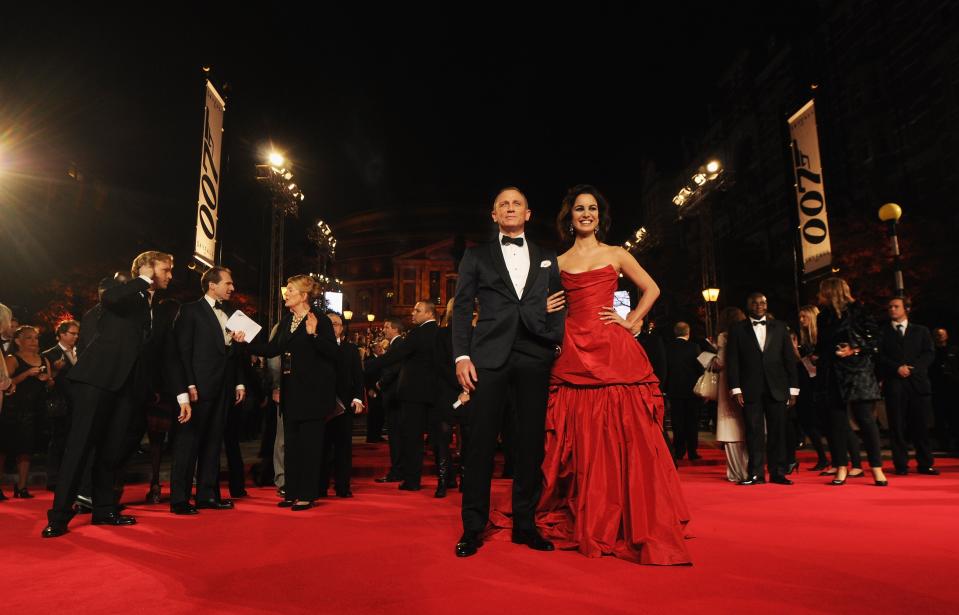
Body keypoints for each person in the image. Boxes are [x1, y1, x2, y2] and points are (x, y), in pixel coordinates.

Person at [523, 183, 690, 565]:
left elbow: (652, 288)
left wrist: (631, 321)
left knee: (624, 433)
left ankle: (629, 513)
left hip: (612, 349)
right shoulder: (557, 262)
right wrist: (548, 308)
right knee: (578, 436)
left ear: (600, 216)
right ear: (570, 216)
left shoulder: (617, 254)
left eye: (592, 209)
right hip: (571, 350)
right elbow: (540, 307)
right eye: (579, 209)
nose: (586, 214)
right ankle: (590, 508)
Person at [452, 186, 566, 558]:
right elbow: (463, 306)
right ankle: (472, 527)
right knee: (481, 444)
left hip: (534, 355)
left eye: (517, 203)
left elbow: (559, 304)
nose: (511, 208)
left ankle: (525, 524)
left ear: (528, 214)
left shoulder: (548, 256)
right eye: (504, 204)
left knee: (530, 444)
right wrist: (461, 357)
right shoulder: (475, 255)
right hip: (487, 356)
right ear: (494, 214)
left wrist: (553, 341)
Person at [43, 251, 178, 537]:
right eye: (165, 269)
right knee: (79, 448)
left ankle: (104, 510)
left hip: (128, 388)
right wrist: (143, 278)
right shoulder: (124, 292)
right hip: (97, 381)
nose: (170, 275)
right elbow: (111, 299)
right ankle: (58, 516)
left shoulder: (153, 304)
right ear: (147, 268)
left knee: (112, 450)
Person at [244, 275, 339, 511]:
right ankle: (292, 491)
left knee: (310, 446)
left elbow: (332, 354)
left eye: (291, 290)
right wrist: (243, 344)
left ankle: (307, 494)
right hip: (291, 393)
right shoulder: (287, 321)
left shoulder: (320, 320)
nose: (286, 293)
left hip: (313, 395)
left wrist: (313, 335)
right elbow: (272, 348)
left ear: (304, 295)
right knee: (292, 446)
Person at [169, 267, 247, 515]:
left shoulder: (233, 314)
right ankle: (179, 499)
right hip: (198, 389)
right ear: (212, 285)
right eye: (228, 283)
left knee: (214, 443)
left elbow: (231, 355)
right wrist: (189, 384)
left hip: (223, 387)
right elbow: (182, 351)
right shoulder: (190, 310)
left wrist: (238, 382)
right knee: (188, 443)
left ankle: (207, 495)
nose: (232, 287)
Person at [815, 277, 888, 487]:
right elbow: (822, 344)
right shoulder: (823, 317)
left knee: (866, 420)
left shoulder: (859, 311)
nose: (818, 297)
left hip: (858, 371)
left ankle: (876, 468)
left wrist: (854, 349)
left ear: (830, 292)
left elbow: (876, 339)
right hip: (832, 372)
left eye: (821, 292)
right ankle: (841, 467)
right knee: (836, 423)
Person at [725, 292, 799, 486]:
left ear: (767, 305)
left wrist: (793, 390)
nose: (759, 306)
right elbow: (732, 361)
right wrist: (735, 389)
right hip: (750, 389)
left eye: (762, 303)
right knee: (753, 432)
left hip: (778, 387)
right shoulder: (737, 329)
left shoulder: (780, 327)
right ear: (748, 305)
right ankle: (755, 473)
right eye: (755, 303)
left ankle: (778, 473)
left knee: (778, 432)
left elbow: (789, 360)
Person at [367, 301, 440, 491]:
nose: (412, 313)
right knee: (439, 437)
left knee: (412, 438)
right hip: (436, 392)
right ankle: (446, 480)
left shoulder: (418, 333)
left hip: (414, 393)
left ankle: (412, 480)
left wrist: (369, 366)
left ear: (430, 313)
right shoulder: (440, 333)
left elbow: (396, 355)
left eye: (417, 310)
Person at [878, 297, 937, 476]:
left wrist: (913, 368)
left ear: (906, 309)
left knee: (921, 425)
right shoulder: (882, 332)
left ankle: (925, 463)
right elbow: (878, 357)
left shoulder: (921, 331)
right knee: (897, 426)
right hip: (894, 385)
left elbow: (929, 353)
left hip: (918, 384)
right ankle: (901, 464)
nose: (892, 309)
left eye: (896, 306)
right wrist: (897, 368)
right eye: (890, 306)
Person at [1, 326, 55, 498]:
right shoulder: (12, 359)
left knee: (26, 450)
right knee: (3, 449)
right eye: (29, 338)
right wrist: (26, 374)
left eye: (36, 338)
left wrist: (47, 380)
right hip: (12, 409)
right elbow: (5, 383)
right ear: (18, 341)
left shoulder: (43, 359)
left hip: (33, 410)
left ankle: (22, 487)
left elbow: (50, 384)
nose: (34, 341)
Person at [319, 311, 364, 498]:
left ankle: (342, 487)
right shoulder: (316, 347)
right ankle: (319, 487)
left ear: (342, 328)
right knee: (321, 448)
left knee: (343, 449)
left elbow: (358, 377)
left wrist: (357, 398)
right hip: (320, 407)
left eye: (337, 324)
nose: (333, 326)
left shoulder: (351, 349)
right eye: (329, 323)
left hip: (344, 407)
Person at [143, 298, 183, 504]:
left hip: (164, 394)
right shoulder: (164, 335)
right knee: (161, 442)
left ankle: (157, 484)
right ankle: (159, 484)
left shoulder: (161, 335)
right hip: (163, 395)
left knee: (158, 442)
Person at [41, 319, 80, 491]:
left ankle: (73, 477)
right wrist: (55, 371)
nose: (76, 337)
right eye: (72, 333)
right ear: (61, 334)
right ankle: (54, 479)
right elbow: (46, 383)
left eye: (77, 334)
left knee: (76, 442)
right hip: (61, 404)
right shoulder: (49, 354)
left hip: (79, 404)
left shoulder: (81, 351)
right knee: (58, 441)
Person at [365, 318, 406, 483]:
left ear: (395, 329)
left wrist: (380, 383)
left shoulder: (398, 345)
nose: (384, 330)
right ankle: (398, 470)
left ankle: (397, 471)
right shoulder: (395, 345)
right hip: (394, 395)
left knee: (396, 436)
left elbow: (394, 368)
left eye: (387, 327)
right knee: (395, 435)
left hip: (395, 395)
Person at [714, 307, 749, 482]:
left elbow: (720, 361)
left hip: (727, 382)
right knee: (745, 425)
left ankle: (735, 471)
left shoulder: (724, 336)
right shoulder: (747, 333)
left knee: (729, 425)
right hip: (746, 381)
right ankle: (748, 468)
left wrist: (711, 361)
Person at [795, 305, 830, 471]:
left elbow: (817, 361)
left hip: (820, 384)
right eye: (800, 317)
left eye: (804, 317)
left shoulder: (819, 338)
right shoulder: (805, 340)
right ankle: (823, 458)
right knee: (807, 422)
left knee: (821, 422)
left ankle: (833, 459)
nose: (801, 321)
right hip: (807, 384)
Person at [664, 322, 704, 462]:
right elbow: (700, 369)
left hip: (674, 390)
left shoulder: (668, 348)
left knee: (677, 421)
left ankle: (679, 450)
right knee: (692, 421)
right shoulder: (694, 347)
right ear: (688, 332)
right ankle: (692, 451)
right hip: (692, 391)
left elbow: (666, 370)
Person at [930, 328, 958, 451]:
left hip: (953, 388)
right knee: (939, 416)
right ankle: (943, 443)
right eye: (937, 335)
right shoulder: (930, 352)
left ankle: (956, 442)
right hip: (937, 388)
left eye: (942, 335)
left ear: (947, 336)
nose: (939, 337)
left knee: (954, 415)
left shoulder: (954, 350)